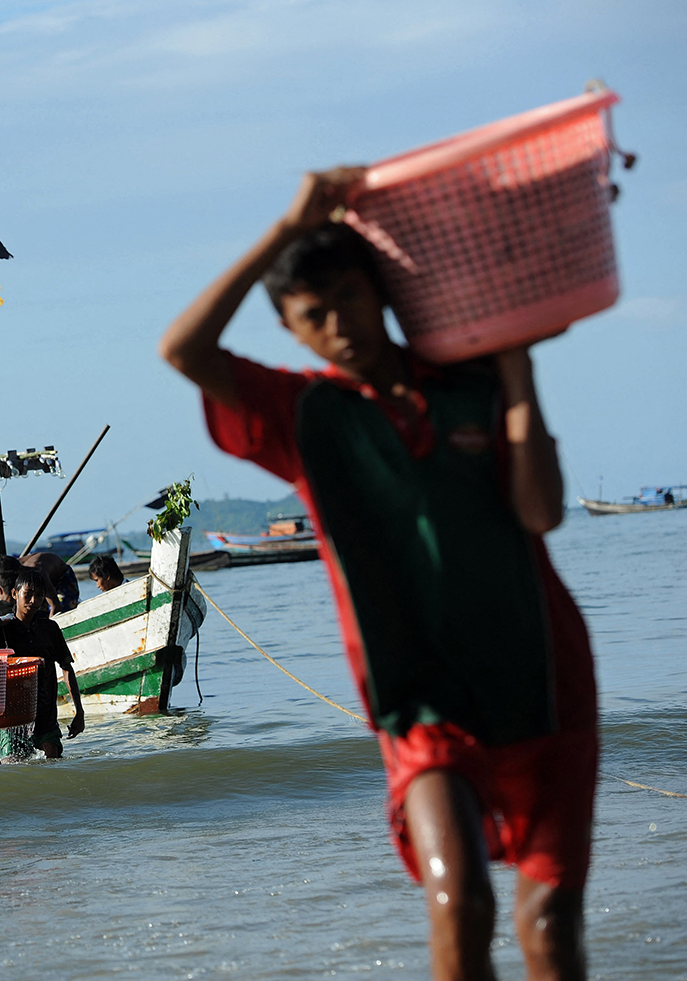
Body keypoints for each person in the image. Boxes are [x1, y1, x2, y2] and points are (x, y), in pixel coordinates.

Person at [159, 168, 597, 981]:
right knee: (458, 900)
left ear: (382, 293)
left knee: (550, 925)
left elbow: (541, 514)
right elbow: (182, 347)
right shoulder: (302, 414)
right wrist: (287, 228)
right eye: (312, 316)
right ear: (292, 332)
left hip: (541, 676)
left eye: (351, 299)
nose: (339, 325)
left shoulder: (467, 385)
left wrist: (516, 374)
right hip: (419, 697)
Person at [0, 568, 86, 758]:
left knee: (53, 758)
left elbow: (66, 668)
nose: (33, 601)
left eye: (39, 595)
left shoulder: (50, 629)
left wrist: (79, 713)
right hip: (12, 716)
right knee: (13, 765)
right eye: (28, 594)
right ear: (15, 594)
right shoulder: (2, 629)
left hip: (45, 714)